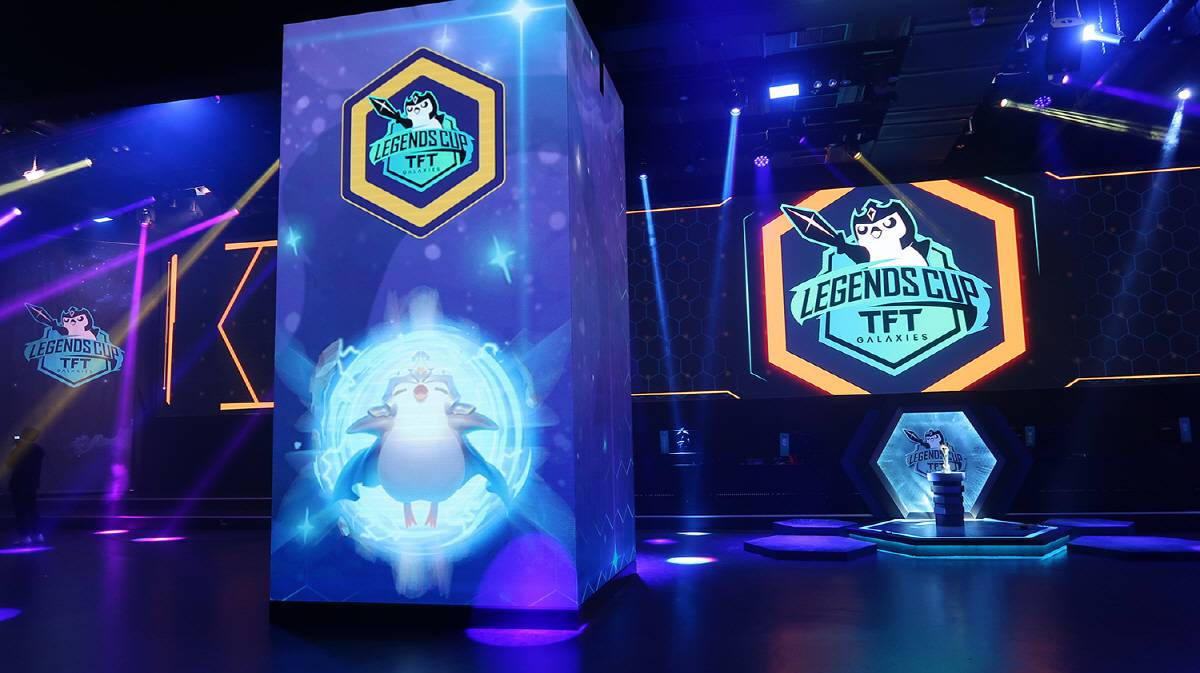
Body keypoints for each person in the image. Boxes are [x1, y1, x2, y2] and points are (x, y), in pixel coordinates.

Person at [3, 427, 45, 544]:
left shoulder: (18, 449)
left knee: (20, 511)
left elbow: (9, 463)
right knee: (32, 510)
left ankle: (25, 536)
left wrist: (14, 448)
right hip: (32, 484)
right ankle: (38, 534)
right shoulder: (39, 450)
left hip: (18, 484)